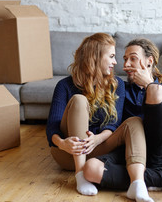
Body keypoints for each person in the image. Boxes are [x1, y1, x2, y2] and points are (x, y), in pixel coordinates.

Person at [83, 38, 162, 201]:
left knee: (156, 91)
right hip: (132, 152)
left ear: (149, 61)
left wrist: (149, 84)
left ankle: (152, 173)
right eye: (125, 59)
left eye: (133, 58)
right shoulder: (121, 89)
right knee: (91, 169)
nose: (126, 65)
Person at [46, 33, 150, 199]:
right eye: (111, 56)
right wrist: (63, 143)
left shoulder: (118, 85)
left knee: (134, 122)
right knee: (79, 100)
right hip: (68, 154)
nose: (116, 62)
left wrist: (97, 139)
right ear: (94, 58)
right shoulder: (64, 85)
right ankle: (80, 175)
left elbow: (114, 125)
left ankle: (137, 183)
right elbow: (52, 127)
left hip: (98, 148)